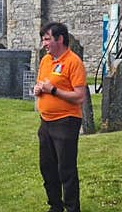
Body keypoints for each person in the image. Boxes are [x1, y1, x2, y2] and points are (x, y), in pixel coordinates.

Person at [33, 22, 87, 212]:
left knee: (66, 169)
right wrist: (38, 90)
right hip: (46, 122)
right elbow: (41, 84)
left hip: (66, 121)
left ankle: (72, 208)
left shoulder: (73, 62)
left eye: (47, 39)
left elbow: (79, 96)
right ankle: (55, 206)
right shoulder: (46, 61)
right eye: (43, 39)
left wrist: (54, 90)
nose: (44, 43)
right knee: (47, 167)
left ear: (60, 39)